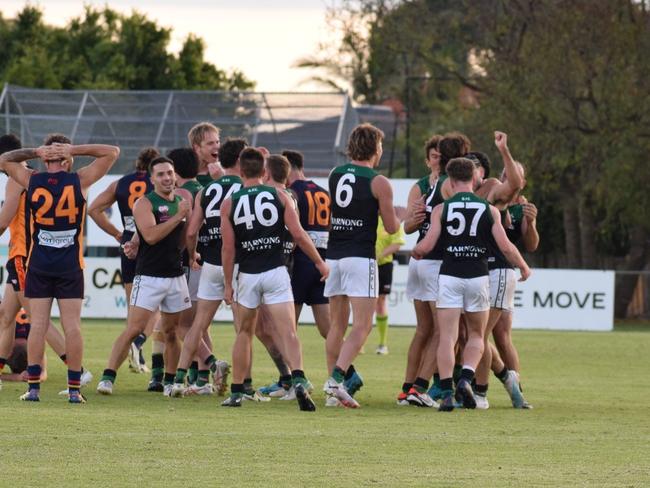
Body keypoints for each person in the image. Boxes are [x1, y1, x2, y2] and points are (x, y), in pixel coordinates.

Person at [0, 134, 119, 403]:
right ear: (69, 160)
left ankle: (33, 389)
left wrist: (35, 151)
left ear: (44, 159)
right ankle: (75, 391)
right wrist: (73, 149)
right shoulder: (80, 180)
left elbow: (4, 160)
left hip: (39, 263)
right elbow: (112, 151)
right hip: (70, 265)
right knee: (72, 326)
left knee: (38, 325)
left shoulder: (31, 180)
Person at [412, 157, 530, 412]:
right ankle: (466, 378)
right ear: (473, 178)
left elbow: (428, 244)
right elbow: (506, 246)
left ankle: (445, 392)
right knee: (477, 335)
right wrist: (522, 265)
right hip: (478, 277)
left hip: (450, 276)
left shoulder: (442, 209)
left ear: (451, 180)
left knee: (448, 336)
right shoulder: (489, 210)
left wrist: (417, 251)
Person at [220, 149, 328, 410]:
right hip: (276, 272)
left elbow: (228, 248)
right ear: (264, 172)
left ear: (241, 171)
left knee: (244, 333)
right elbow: (299, 234)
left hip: (248, 275)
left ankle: (236, 392)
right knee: (288, 331)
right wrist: (319, 262)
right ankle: (299, 379)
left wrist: (227, 283)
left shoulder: (230, 202)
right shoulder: (279, 195)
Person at [97, 156, 191, 396]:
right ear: (152, 179)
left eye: (170, 173)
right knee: (134, 329)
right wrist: (178, 217)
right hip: (149, 276)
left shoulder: (181, 202)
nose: (167, 178)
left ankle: (169, 382)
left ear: (176, 175)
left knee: (171, 332)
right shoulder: (145, 203)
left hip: (175, 276)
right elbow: (150, 235)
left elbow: (181, 239)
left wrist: (192, 250)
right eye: (160, 174)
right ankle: (108, 378)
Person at [323, 123, 400, 409]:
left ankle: (333, 392)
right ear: (374, 148)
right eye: (380, 146)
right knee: (363, 325)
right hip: (360, 256)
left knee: (337, 325)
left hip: (335, 255)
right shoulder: (379, 181)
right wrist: (402, 215)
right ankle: (336, 380)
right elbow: (391, 227)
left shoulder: (335, 174)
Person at [169, 139, 248, 398]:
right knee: (243, 328)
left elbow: (191, 231)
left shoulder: (208, 190)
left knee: (197, 325)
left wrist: (193, 256)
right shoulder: (244, 187)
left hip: (210, 264)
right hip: (237, 264)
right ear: (240, 160)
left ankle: (180, 380)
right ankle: (243, 385)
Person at [87, 147, 158, 374]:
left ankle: (137, 354)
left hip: (128, 243)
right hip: (154, 243)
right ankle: (138, 344)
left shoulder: (121, 183)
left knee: (133, 305)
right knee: (155, 303)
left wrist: (117, 233)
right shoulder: (159, 182)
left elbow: (94, 209)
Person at [373, 215, 405, 355]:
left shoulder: (392, 221)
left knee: (380, 301)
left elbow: (397, 243)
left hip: (384, 265)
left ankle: (382, 343)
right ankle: (358, 343)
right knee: (362, 303)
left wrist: (379, 255)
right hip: (366, 265)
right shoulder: (369, 216)